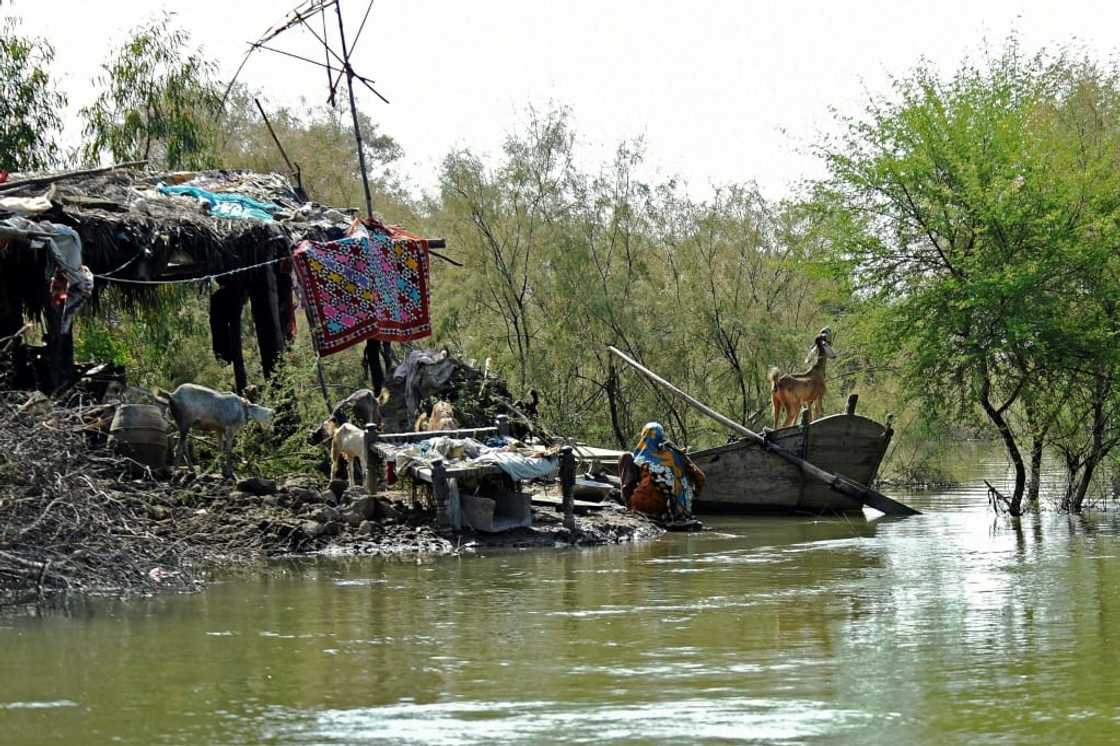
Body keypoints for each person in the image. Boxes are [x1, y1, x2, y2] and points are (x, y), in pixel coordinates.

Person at [618, 422, 704, 521]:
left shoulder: (643, 458)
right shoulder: (679, 455)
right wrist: (694, 493)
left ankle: (629, 506)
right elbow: (701, 477)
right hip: (675, 510)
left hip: (641, 506)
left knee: (626, 457)